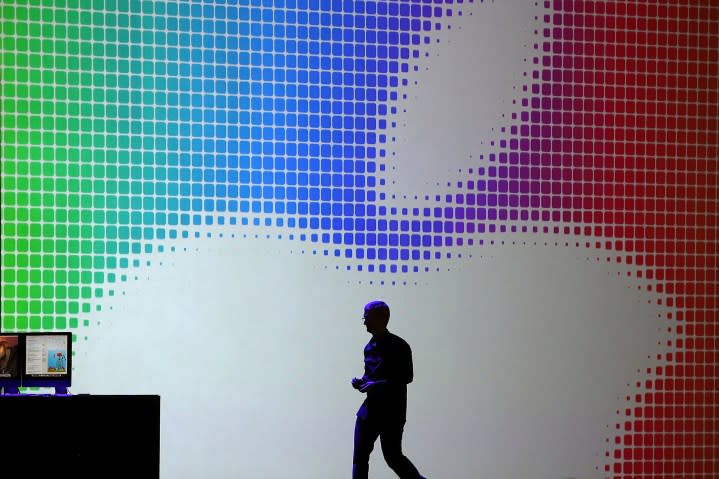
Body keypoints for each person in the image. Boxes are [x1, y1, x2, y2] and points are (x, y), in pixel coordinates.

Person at [351, 300, 426, 479]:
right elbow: (371, 374)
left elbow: (407, 376)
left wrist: (376, 385)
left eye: (367, 317)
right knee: (359, 457)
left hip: (392, 412)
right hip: (370, 411)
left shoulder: (399, 346)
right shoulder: (369, 347)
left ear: (381, 319)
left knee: (393, 457)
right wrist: (362, 381)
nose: (364, 322)